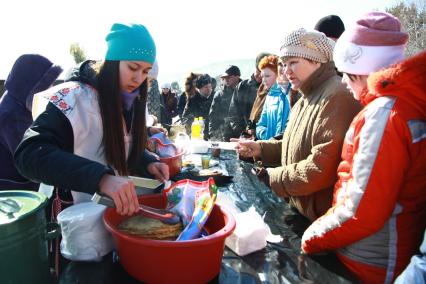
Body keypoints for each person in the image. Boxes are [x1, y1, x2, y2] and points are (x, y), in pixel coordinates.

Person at [301, 12, 426, 283]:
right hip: (373, 252)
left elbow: (363, 210)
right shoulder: (397, 106)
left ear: (362, 69)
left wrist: (312, 236)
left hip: (368, 263)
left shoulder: (385, 114)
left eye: (347, 74)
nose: (344, 82)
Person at [15, 23, 169, 216]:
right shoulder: (73, 99)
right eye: (133, 67)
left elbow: (120, 145)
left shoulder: (130, 100)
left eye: (146, 71)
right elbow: (28, 155)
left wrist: (146, 162)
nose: (139, 78)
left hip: (111, 214)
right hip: (73, 216)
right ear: (112, 62)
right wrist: (101, 179)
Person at [233, 28, 361, 222]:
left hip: (320, 219)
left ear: (316, 60)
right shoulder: (304, 97)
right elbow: (292, 142)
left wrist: (272, 177)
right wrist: (259, 148)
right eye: (284, 64)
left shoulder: (336, 95)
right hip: (300, 209)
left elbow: (320, 168)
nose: (286, 71)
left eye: (293, 62)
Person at [0, 54, 62, 191]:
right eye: (46, 86)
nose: (50, 90)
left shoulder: (18, 102)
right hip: (12, 187)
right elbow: (31, 159)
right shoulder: (12, 116)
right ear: (30, 87)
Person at [227, 53, 266, 139]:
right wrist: (244, 134)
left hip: (264, 139)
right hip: (244, 138)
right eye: (258, 71)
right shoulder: (242, 86)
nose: (260, 75)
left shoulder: (271, 89)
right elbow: (233, 115)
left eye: (264, 72)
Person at [255, 55, 292, 140]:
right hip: (271, 148)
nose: (263, 80)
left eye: (267, 76)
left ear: (278, 74)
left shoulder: (292, 94)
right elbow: (261, 125)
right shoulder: (269, 96)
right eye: (262, 76)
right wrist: (268, 137)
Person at [209, 65, 241, 141]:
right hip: (224, 136)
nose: (226, 79)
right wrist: (212, 136)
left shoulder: (246, 90)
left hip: (243, 135)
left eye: (229, 77)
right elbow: (213, 117)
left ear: (237, 77)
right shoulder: (219, 94)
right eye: (224, 77)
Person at [182, 74, 213, 139]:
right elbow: (186, 119)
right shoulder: (193, 101)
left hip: (211, 135)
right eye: (206, 87)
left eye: (210, 86)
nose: (209, 89)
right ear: (200, 88)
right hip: (198, 136)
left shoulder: (213, 98)